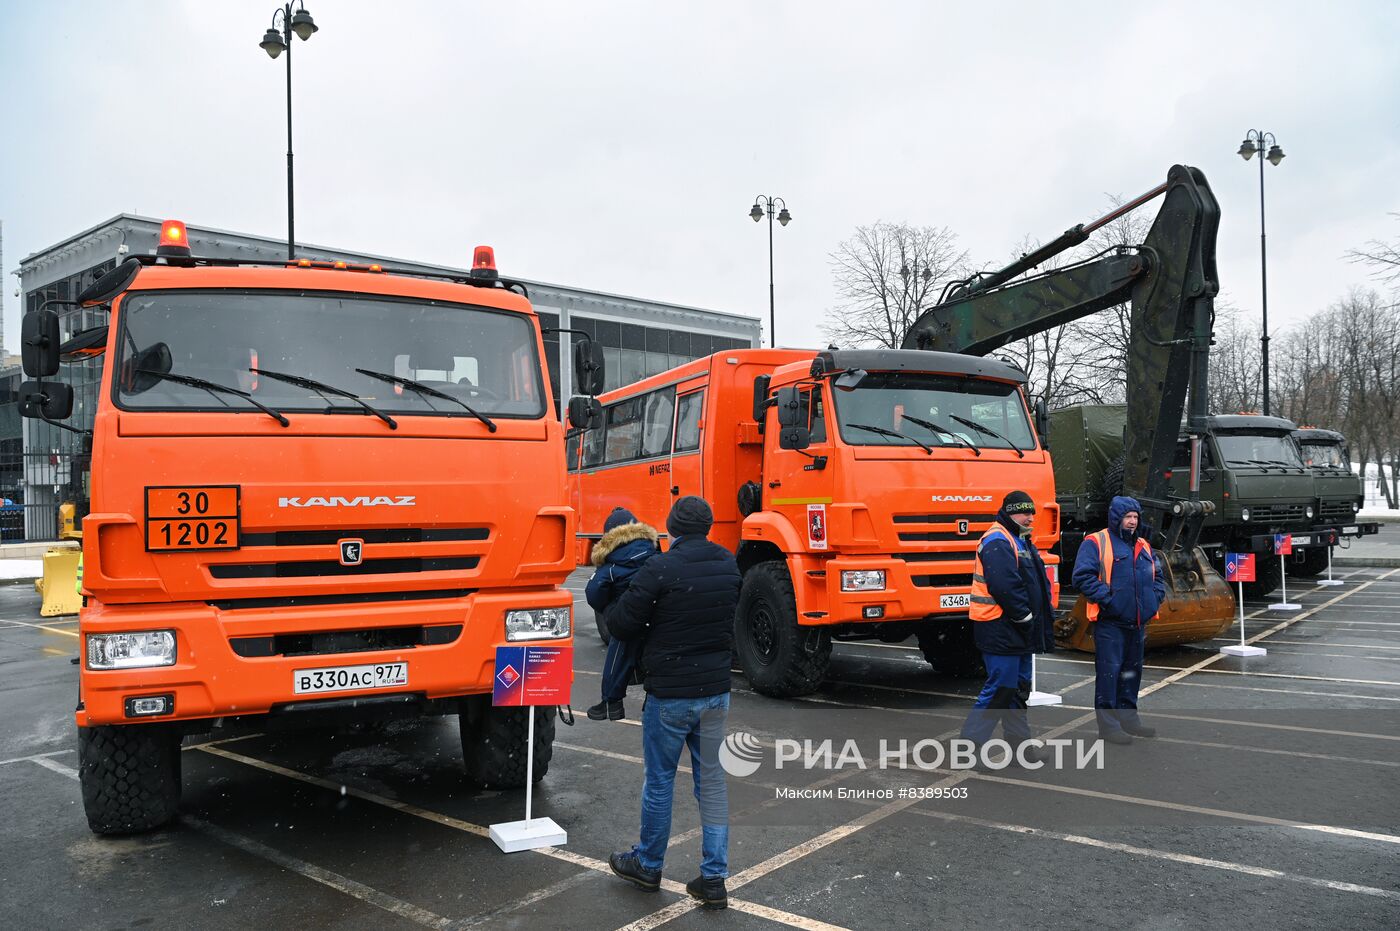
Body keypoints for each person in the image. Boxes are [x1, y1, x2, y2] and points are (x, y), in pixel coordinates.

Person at [605, 496, 741, 911]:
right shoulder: (728, 562)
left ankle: (648, 865)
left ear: (671, 527)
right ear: (709, 526)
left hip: (670, 695)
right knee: (712, 783)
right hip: (715, 691)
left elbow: (621, 622)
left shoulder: (660, 567)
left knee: (661, 781)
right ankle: (714, 878)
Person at [960, 490, 1055, 765]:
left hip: (1014, 628)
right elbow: (1004, 585)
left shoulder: (1018, 538)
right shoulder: (998, 540)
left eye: (1032, 512)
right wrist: (1025, 616)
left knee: (1017, 689)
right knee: (1001, 688)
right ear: (1011, 512)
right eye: (1025, 512)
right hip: (1000, 627)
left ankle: (1020, 749)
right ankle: (969, 750)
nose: (1031, 517)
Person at [1072, 495, 1166, 744]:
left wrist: (1155, 599)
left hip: (1136, 624)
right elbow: (1082, 576)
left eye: (1135, 517)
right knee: (1109, 675)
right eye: (1128, 517)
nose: (1133, 521)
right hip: (1110, 623)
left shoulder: (1144, 545)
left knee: (1131, 673)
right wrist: (1110, 601)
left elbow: (1158, 575)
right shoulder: (1096, 542)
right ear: (1116, 518)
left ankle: (1129, 719)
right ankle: (1109, 726)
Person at [584, 507, 660, 721]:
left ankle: (611, 702)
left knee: (618, 648)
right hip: (656, 614)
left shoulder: (611, 564)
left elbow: (594, 594)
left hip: (627, 616)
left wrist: (609, 609)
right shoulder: (653, 553)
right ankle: (652, 699)